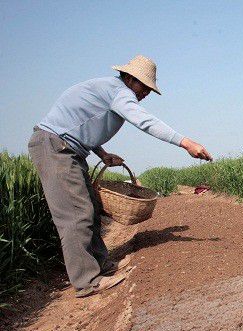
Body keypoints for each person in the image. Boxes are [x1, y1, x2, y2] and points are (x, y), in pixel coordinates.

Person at [27, 55, 213, 297]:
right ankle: (87, 281)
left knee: (90, 209)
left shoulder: (109, 89)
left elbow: (78, 125)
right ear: (129, 78)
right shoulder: (119, 92)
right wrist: (185, 142)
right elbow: (144, 121)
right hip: (55, 149)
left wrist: (102, 154)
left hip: (66, 148)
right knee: (76, 215)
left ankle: (103, 266)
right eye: (144, 86)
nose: (146, 92)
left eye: (149, 88)